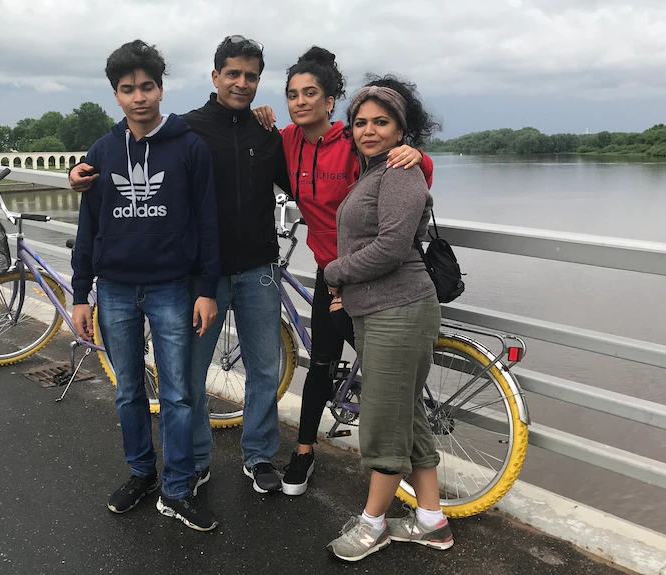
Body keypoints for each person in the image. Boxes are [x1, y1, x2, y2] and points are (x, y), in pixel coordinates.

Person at [70, 35, 291, 495]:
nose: (242, 82)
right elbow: (104, 183)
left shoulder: (266, 133)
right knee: (188, 377)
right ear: (215, 77)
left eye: (251, 76)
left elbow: (303, 177)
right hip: (195, 276)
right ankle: (193, 462)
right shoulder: (188, 131)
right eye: (233, 73)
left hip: (256, 269)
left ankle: (259, 456)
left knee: (265, 368)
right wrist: (76, 173)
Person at [251, 47, 434, 496]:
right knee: (323, 362)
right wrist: (255, 118)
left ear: (331, 100)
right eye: (292, 93)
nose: (300, 101)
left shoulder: (352, 139)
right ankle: (305, 450)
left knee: (385, 371)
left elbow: (399, 169)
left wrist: (418, 156)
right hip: (327, 270)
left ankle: (405, 456)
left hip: (369, 275)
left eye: (311, 93)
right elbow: (251, 159)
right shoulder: (288, 141)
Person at [70, 39, 220, 531]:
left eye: (148, 86)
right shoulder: (103, 150)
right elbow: (88, 227)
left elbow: (207, 222)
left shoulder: (188, 146)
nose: (140, 97)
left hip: (173, 288)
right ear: (116, 95)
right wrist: (79, 294)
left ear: (161, 88)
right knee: (129, 391)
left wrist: (206, 289)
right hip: (113, 289)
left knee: (177, 394)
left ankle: (177, 488)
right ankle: (141, 473)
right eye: (128, 89)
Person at [322, 76, 452, 561]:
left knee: (381, 420)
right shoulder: (371, 171)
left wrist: (334, 272)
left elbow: (392, 248)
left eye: (381, 122)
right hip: (377, 310)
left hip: (400, 309)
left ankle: (373, 523)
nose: (369, 130)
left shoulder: (399, 171)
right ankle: (432, 521)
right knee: (406, 413)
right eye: (361, 122)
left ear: (401, 129)